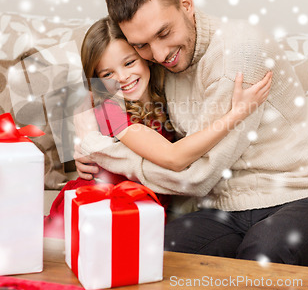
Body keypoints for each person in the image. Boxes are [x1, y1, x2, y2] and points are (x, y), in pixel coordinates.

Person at [74, 0, 308, 268]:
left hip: (300, 199)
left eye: (164, 32)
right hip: (224, 212)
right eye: (143, 46)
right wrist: (81, 137)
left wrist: (103, 151)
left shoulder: (240, 53)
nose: (160, 54)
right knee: (147, 254)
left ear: (186, 4)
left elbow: (196, 175)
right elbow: (94, 79)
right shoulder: (158, 62)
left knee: (263, 258)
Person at [45, 16, 271, 237]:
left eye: (129, 62)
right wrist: (237, 114)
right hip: (97, 210)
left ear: (146, 56)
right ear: (97, 80)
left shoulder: (163, 97)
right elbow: (172, 157)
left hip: (141, 213)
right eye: (108, 74)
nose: (123, 77)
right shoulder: (111, 110)